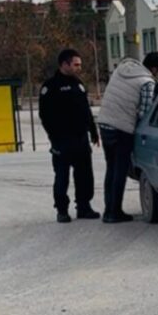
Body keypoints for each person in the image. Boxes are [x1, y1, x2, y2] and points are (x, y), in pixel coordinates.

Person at [96, 52, 158, 223]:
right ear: (155, 68)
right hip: (121, 129)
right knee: (120, 170)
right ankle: (115, 212)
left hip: (105, 125)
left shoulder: (122, 70)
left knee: (111, 168)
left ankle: (108, 210)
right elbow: (145, 113)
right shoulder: (147, 82)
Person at [39, 49, 100, 223]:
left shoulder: (78, 85)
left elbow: (86, 111)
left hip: (81, 139)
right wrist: (54, 138)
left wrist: (93, 131)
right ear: (64, 64)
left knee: (85, 175)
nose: (79, 67)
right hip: (62, 141)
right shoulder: (50, 87)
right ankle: (62, 210)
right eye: (76, 64)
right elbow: (45, 116)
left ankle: (84, 206)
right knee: (62, 176)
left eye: (80, 64)